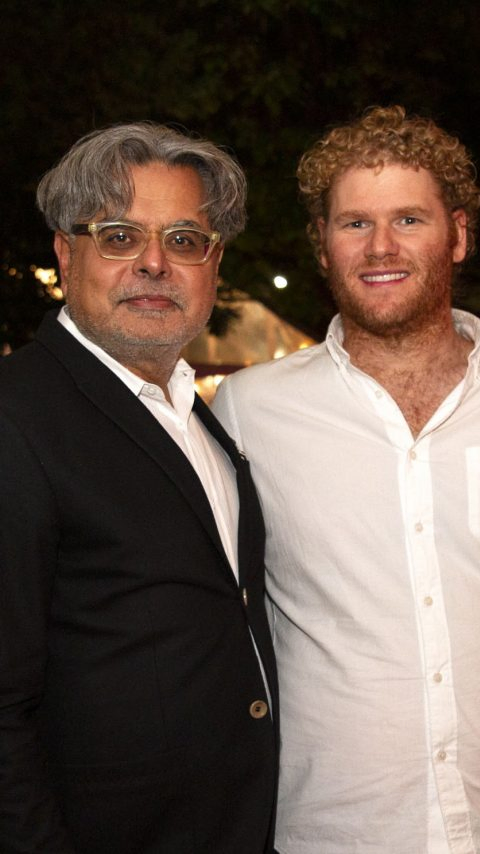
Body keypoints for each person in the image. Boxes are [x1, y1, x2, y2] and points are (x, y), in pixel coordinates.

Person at [212, 106, 480, 854]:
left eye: (409, 219)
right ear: (322, 245)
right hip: (329, 837)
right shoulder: (252, 411)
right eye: (354, 223)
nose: (381, 246)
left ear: (458, 235)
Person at [0, 123, 279, 853]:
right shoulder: (15, 417)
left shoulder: (201, 419)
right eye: (120, 236)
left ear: (214, 265)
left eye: (184, 240)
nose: (155, 263)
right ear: (66, 254)